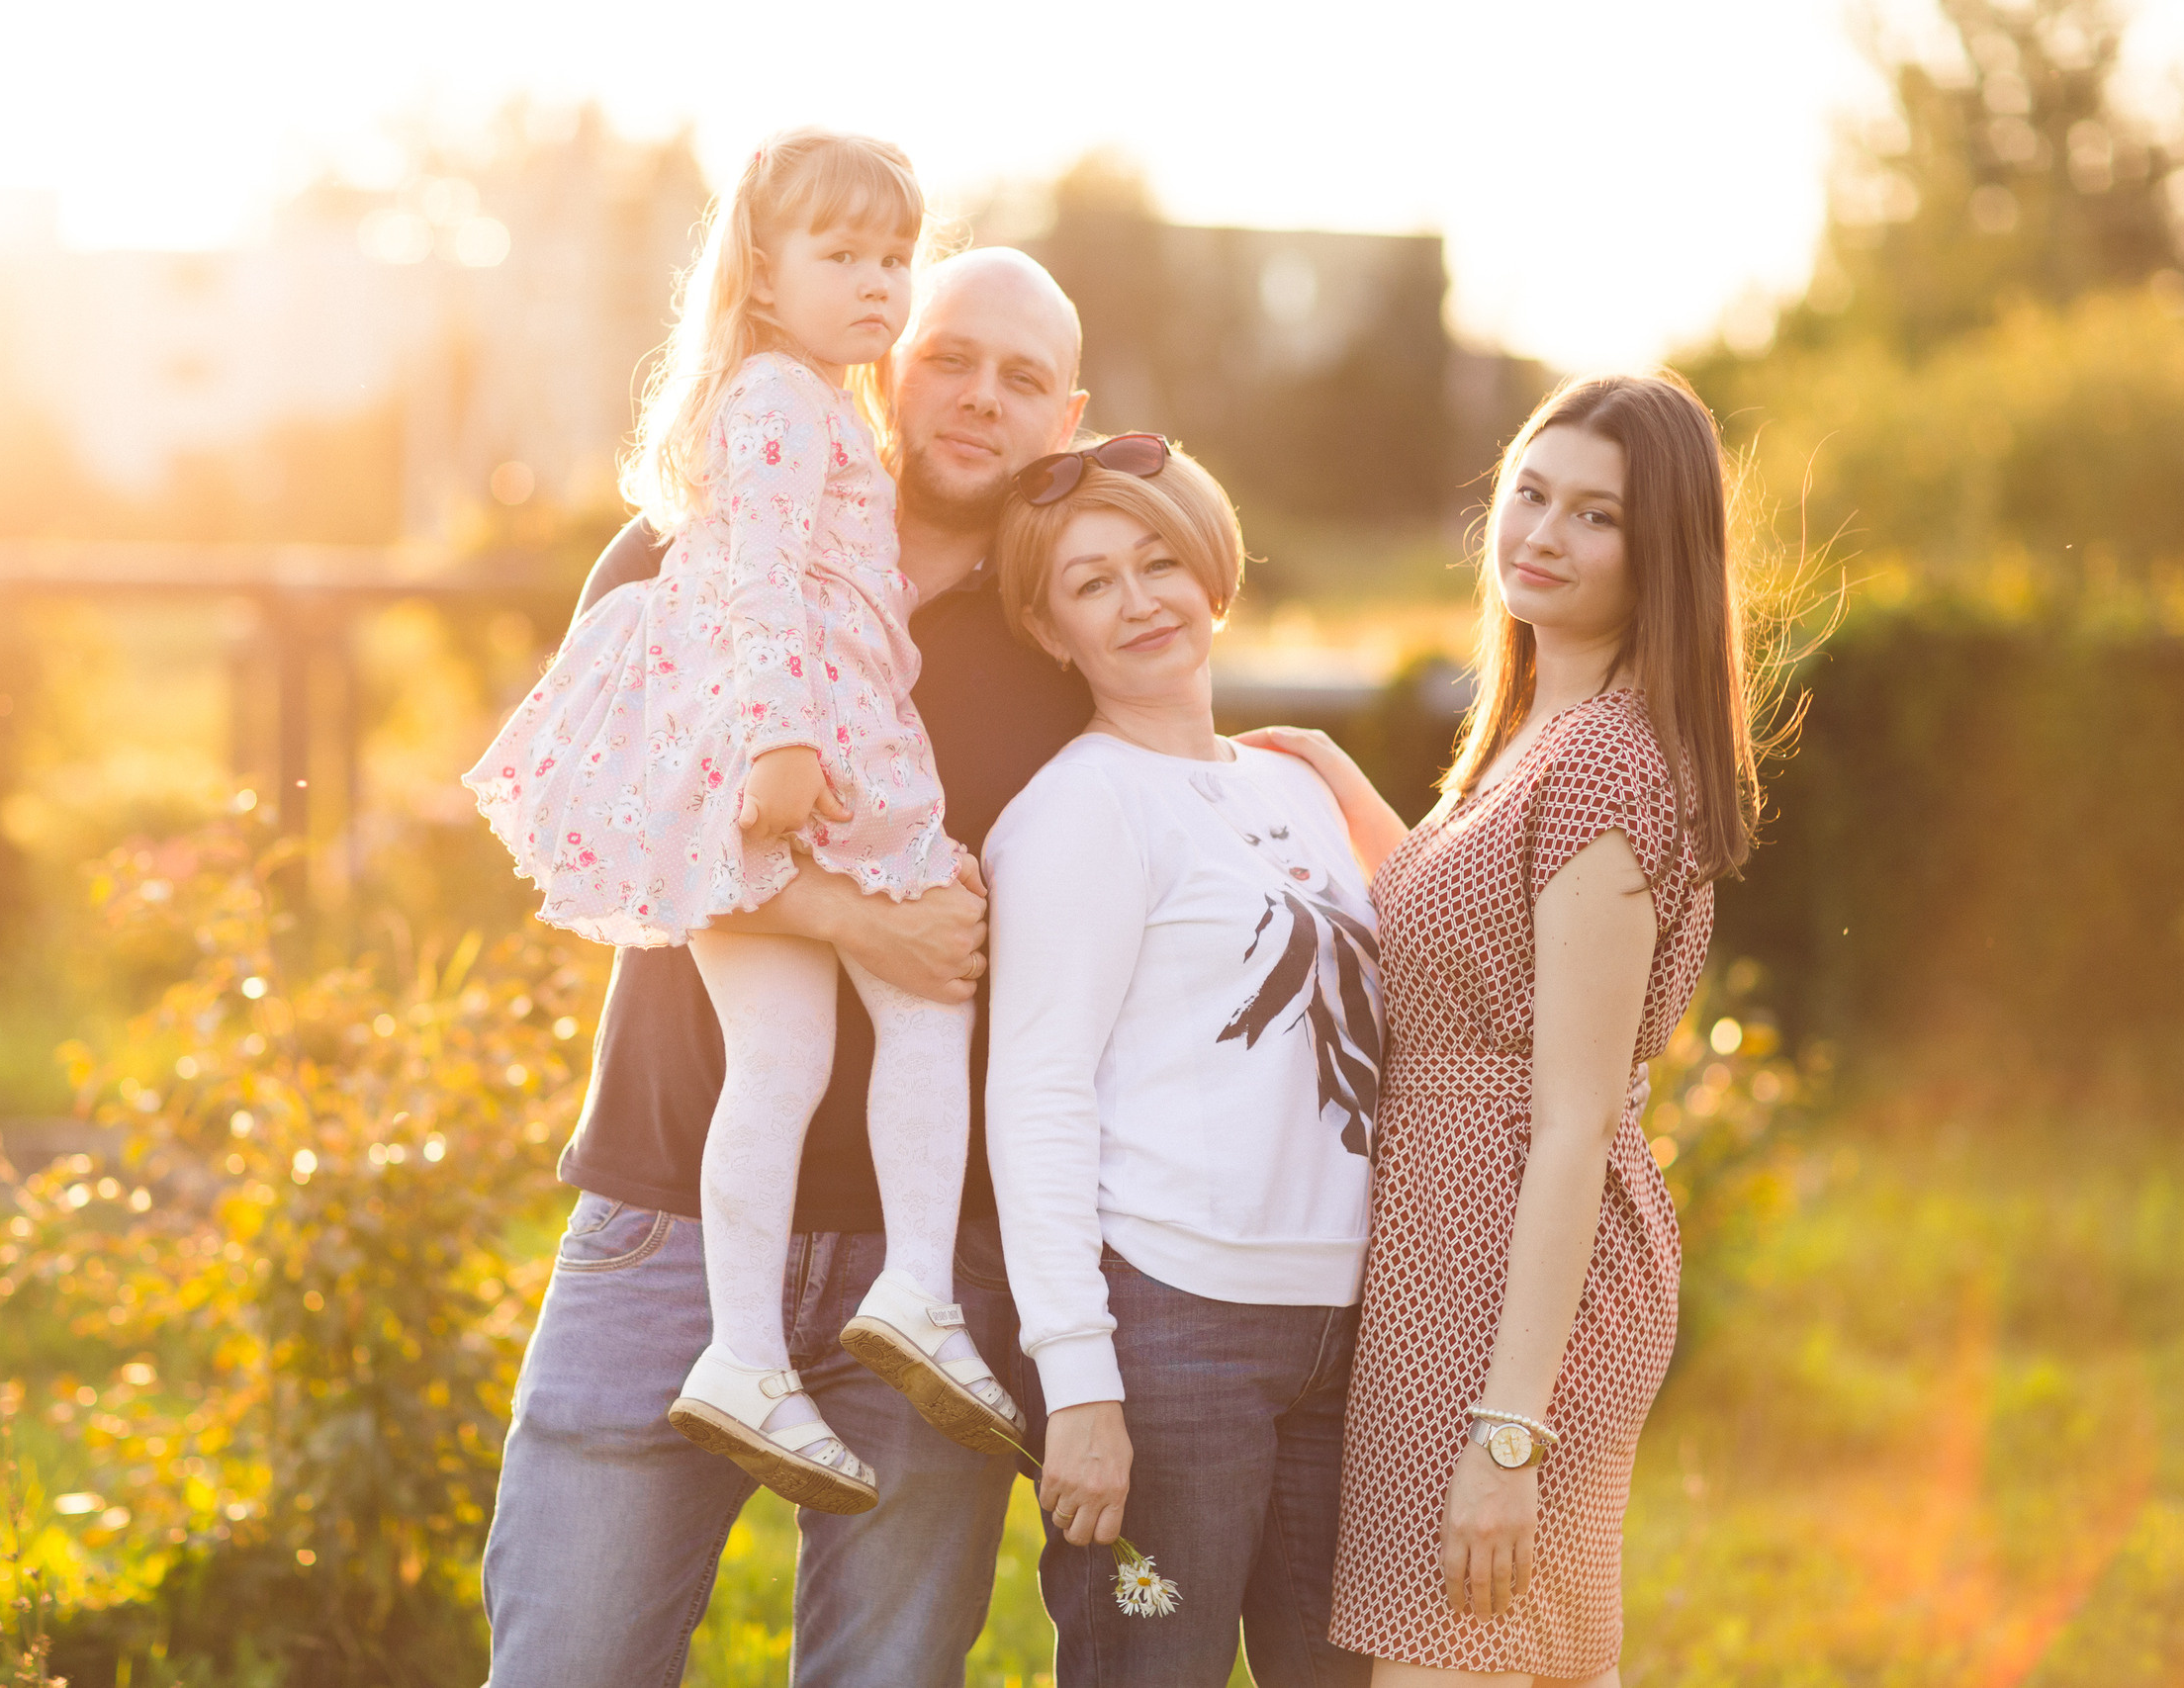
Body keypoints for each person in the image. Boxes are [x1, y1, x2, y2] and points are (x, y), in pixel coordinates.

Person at [475, 241, 1092, 1685]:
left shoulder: (1070, 634)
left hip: (932, 1260)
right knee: (568, 1659)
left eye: (1022, 378)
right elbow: (616, 823)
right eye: (950, 356)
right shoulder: (691, 546)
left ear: (1066, 414)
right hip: (665, 1211)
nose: (978, 397)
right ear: (883, 356)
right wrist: (854, 919)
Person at [1251, 372, 1758, 1686]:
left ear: (1661, 556)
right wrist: (1336, 778)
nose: (1541, 531)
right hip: (1453, 1258)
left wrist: (1509, 1429)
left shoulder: (1602, 759)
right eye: (1529, 492)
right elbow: (1458, 929)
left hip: (1517, 1288)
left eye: (1596, 515)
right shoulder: (1536, 734)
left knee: (1464, 1653)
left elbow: (1574, 1114)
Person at [983, 437, 1380, 1686]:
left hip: (1346, 1327)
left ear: (1212, 573)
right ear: (1052, 631)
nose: (1138, 598)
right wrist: (1080, 1385)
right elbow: (1035, 1096)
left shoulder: (1295, 783)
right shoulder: (1076, 812)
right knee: (1150, 1669)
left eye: (1158, 560)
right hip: (1171, 1335)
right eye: (1092, 583)